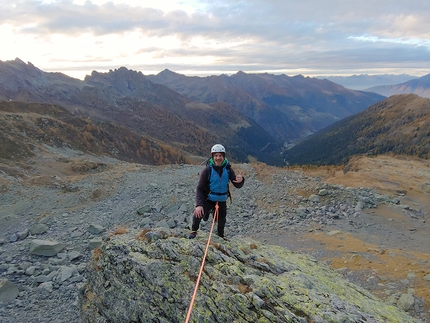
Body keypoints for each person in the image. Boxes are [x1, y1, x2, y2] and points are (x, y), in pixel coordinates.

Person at [189, 144, 245, 239]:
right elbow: (199, 188)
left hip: (222, 200)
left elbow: (237, 184)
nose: (218, 158)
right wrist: (199, 205)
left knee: (221, 220)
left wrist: (241, 180)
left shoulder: (228, 169)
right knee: (198, 214)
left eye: (220, 155)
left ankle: (220, 236)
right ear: (212, 156)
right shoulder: (207, 170)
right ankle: (193, 231)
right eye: (216, 155)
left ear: (223, 156)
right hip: (209, 199)